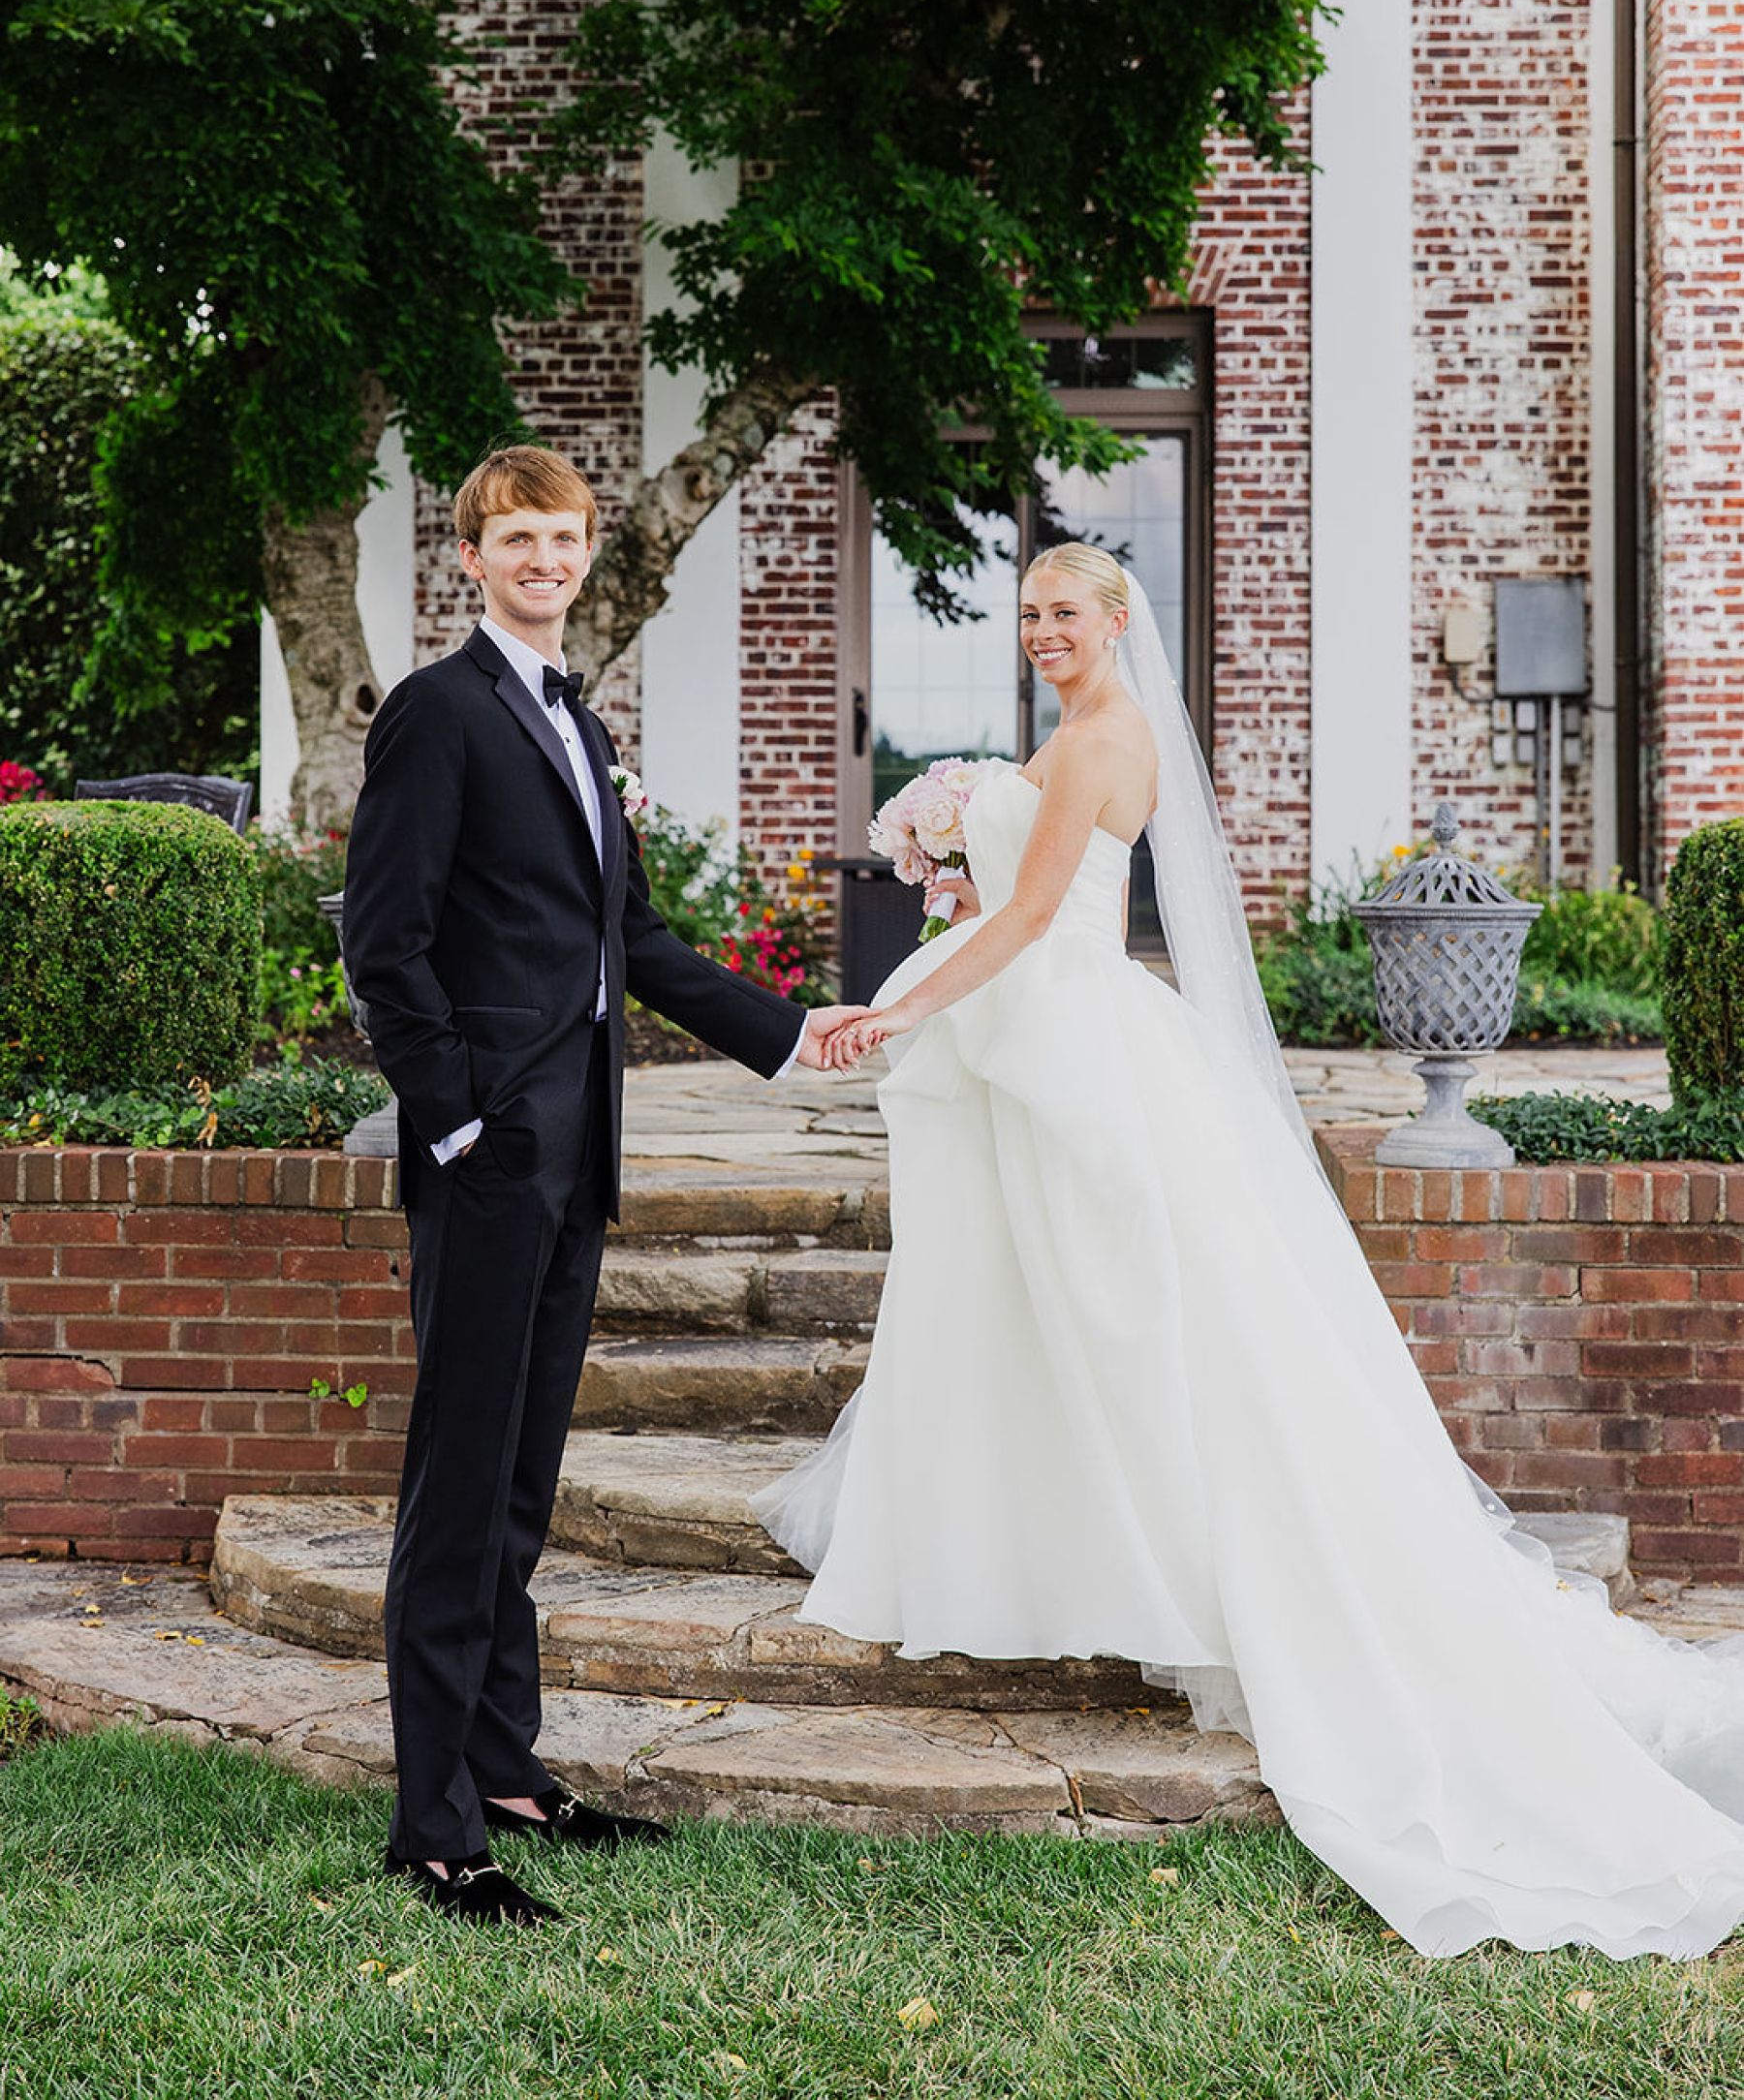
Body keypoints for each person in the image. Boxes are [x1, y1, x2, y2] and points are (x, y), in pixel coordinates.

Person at [755, 541, 1744, 1961]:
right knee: (1026, 1306)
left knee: (1138, 1320)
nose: (1043, 633)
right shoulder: (1068, 733)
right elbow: (1010, 905)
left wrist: (892, 1012)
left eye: (1066, 614)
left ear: (1116, 622)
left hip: (1078, 1044)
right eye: (1027, 615)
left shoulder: (1111, 739)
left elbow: (1037, 918)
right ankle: (1048, 1541)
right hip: (1048, 1037)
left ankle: (1191, 1561)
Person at [343, 445, 856, 1927]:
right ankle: (438, 1828)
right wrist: (452, 1128)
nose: (546, 561)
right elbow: (387, 949)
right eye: (519, 539)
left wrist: (794, 1030)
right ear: (473, 556)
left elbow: (632, 940)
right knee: (457, 1489)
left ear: (587, 554)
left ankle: (506, 1771)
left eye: (564, 539)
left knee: (521, 1479)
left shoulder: (577, 715)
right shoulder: (437, 715)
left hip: (580, 1164)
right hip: (493, 1159)